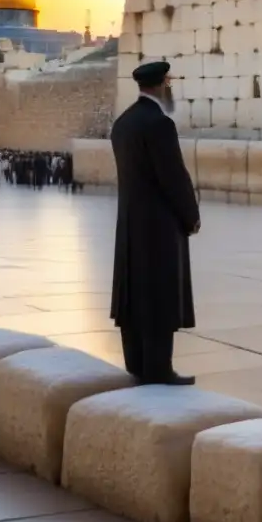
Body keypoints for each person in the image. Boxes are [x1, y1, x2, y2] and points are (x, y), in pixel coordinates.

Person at [110, 60, 200, 386]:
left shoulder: (123, 123)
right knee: (159, 296)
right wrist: (191, 216)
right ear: (164, 83)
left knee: (133, 295)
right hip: (160, 227)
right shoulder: (159, 123)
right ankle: (159, 369)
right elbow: (173, 176)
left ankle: (136, 362)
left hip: (130, 225)